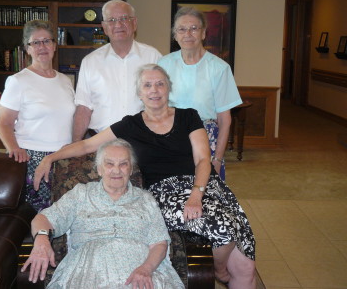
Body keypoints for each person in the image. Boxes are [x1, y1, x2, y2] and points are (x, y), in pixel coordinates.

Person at [34, 64, 256, 288]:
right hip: (166, 193)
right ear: (140, 93)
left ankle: (227, 269)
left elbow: (202, 160)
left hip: (202, 184)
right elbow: (86, 145)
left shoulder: (189, 116)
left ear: (169, 88)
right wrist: (50, 158)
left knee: (245, 263)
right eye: (147, 85)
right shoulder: (131, 125)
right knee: (224, 228)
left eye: (160, 84)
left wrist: (197, 194)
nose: (154, 90)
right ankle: (219, 271)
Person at [21, 139, 184, 289]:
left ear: (131, 169)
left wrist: (146, 269)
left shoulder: (145, 199)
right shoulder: (81, 194)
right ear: (99, 169)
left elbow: (159, 244)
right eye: (109, 164)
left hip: (141, 270)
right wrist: (42, 241)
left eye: (123, 164)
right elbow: (42, 219)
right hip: (88, 270)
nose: (116, 170)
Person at [0, 20, 76, 212]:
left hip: (64, 158)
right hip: (33, 160)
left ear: (54, 46)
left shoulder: (65, 80)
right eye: (36, 43)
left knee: (65, 217)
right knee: (40, 219)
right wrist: (14, 148)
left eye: (47, 41)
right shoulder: (18, 81)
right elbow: (4, 123)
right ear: (27, 49)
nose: (42, 47)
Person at [158, 7, 243, 180]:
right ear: (175, 35)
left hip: (207, 140)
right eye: (181, 29)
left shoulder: (219, 68)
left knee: (204, 198)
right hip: (169, 139)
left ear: (203, 33)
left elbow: (225, 121)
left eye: (194, 28)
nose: (187, 33)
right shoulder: (163, 64)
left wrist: (217, 159)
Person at [73, 0, 162, 141]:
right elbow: (83, 109)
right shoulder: (90, 62)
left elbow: (165, 103)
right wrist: (75, 146)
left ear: (134, 23)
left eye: (124, 18)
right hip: (101, 143)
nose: (118, 25)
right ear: (104, 27)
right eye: (112, 20)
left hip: (144, 142)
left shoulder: (153, 57)